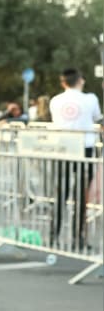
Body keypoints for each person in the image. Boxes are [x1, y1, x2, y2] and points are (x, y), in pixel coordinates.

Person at [49, 68, 102, 251]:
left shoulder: (55, 100)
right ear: (80, 80)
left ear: (63, 82)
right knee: (81, 196)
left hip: (62, 148)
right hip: (84, 148)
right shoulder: (90, 99)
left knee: (60, 193)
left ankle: (52, 235)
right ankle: (78, 238)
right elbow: (97, 117)